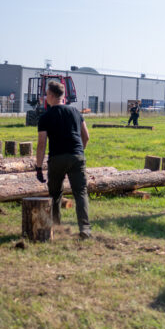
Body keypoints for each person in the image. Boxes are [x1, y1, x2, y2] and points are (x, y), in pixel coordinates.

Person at [35, 80, 92, 239]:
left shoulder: (45, 117)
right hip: (76, 156)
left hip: (57, 158)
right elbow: (86, 136)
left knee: (55, 195)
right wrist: (80, 152)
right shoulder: (75, 112)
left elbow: (41, 144)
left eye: (46, 94)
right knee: (80, 193)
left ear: (52, 96)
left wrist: (38, 168)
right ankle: (85, 230)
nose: (45, 97)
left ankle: (56, 228)